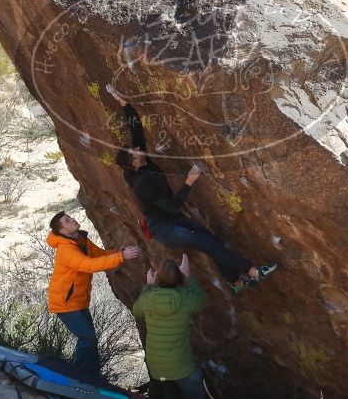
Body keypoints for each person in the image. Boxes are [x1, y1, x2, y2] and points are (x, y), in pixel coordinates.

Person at [107, 83, 277, 293]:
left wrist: (123, 103)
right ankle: (253, 272)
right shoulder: (143, 185)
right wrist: (189, 181)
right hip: (164, 228)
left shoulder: (143, 164)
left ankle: (236, 282)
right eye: (135, 152)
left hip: (172, 220)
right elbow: (172, 206)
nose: (139, 150)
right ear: (133, 163)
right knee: (208, 244)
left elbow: (136, 128)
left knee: (213, 242)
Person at [46, 211, 141, 375]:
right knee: (87, 338)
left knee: (90, 339)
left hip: (77, 301)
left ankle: (91, 375)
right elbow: (88, 265)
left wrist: (116, 252)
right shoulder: (66, 249)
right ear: (63, 231)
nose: (73, 219)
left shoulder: (80, 239)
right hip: (65, 303)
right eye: (67, 221)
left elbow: (98, 255)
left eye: (70, 217)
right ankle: (82, 377)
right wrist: (121, 257)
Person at [132, 254, 207, 399]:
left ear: (157, 278)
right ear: (179, 279)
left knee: (171, 394)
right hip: (182, 368)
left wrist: (148, 285)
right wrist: (188, 276)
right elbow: (200, 299)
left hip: (158, 368)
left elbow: (136, 310)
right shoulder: (184, 299)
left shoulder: (148, 298)